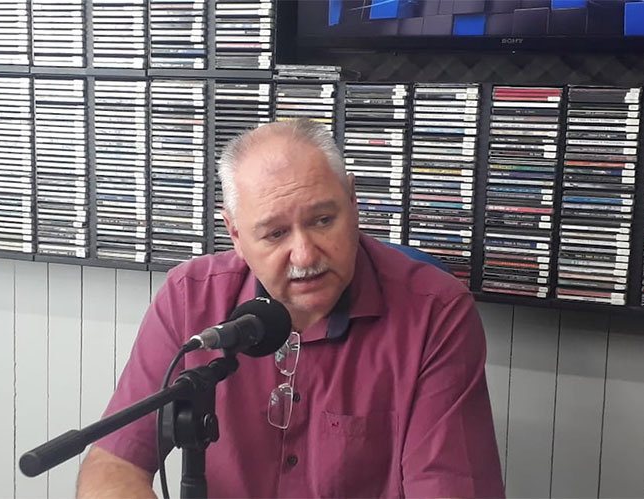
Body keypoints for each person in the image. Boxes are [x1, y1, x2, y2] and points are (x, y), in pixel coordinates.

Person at [77, 118, 505, 498]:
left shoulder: (435, 313)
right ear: (236, 234)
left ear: (353, 201)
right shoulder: (190, 299)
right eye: (275, 233)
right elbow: (114, 465)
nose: (304, 254)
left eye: (323, 221)